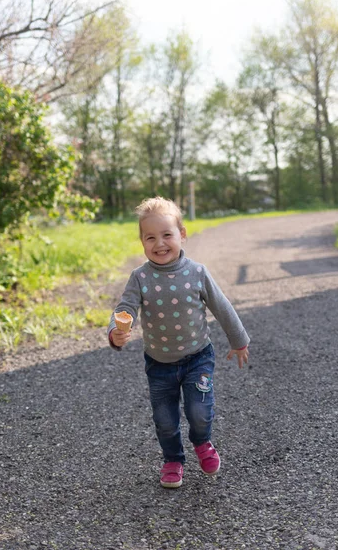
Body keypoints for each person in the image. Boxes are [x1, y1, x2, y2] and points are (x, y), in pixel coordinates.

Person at [107, 197, 250, 489]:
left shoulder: (197, 273)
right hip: (158, 364)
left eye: (167, 235)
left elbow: (222, 307)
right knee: (165, 420)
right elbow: (125, 309)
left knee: (199, 410)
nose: (160, 243)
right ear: (142, 242)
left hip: (198, 357)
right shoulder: (140, 278)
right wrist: (116, 331)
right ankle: (172, 459)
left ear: (182, 234)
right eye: (150, 237)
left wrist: (239, 340)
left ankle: (202, 443)